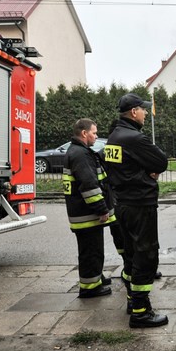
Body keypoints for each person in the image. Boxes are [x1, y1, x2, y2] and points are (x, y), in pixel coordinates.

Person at [103, 93, 169, 328]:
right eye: (142, 110)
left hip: (123, 204)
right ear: (133, 112)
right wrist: (147, 172)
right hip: (140, 204)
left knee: (131, 254)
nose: (144, 113)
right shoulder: (134, 138)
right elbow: (162, 162)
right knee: (146, 255)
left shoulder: (114, 137)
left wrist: (142, 170)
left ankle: (133, 300)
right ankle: (141, 311)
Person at [62, 118, 116, 298]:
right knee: (91, 251)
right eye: (94, 132)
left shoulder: (79, 151)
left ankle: (96, 278)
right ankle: (90, 288)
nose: (96, 136)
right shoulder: (81, 155)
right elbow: (89, 186)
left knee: (93, 250)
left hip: (83, 214)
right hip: (87, 215)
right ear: (84, 133)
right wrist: (102, 209)